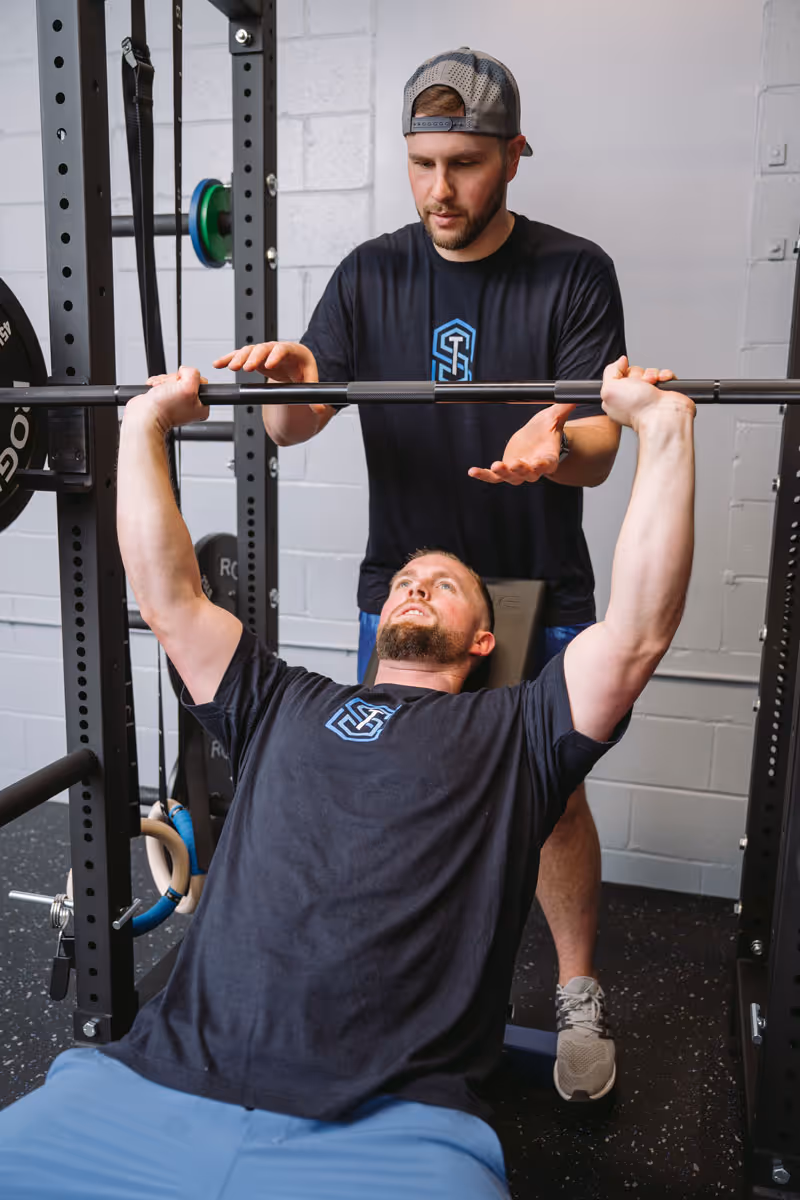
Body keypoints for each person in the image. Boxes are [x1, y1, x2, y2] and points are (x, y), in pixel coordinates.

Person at [0, 357, 695, 1200]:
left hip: (393, 1132)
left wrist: (662, 431)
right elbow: (171, 597)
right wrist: (144, 425)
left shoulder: (519, 731)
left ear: (485, 641)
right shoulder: (281, 700)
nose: (415, 588)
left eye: (444, 586)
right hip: (148, 1087)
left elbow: (635, 634)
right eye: (406, 581)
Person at [214, 47, 627, 1100]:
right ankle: (397, 998)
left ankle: (577, 996)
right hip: (407, 589)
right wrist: (286, 386)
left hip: (532, 579)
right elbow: (297, 427)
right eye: (421, 162)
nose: (440, 189)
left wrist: (559, 445)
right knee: (391, 792)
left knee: (550, 801)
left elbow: (598, 444)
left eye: (466, 162)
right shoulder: (369, 273)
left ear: (513, 156)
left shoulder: (572, 271)